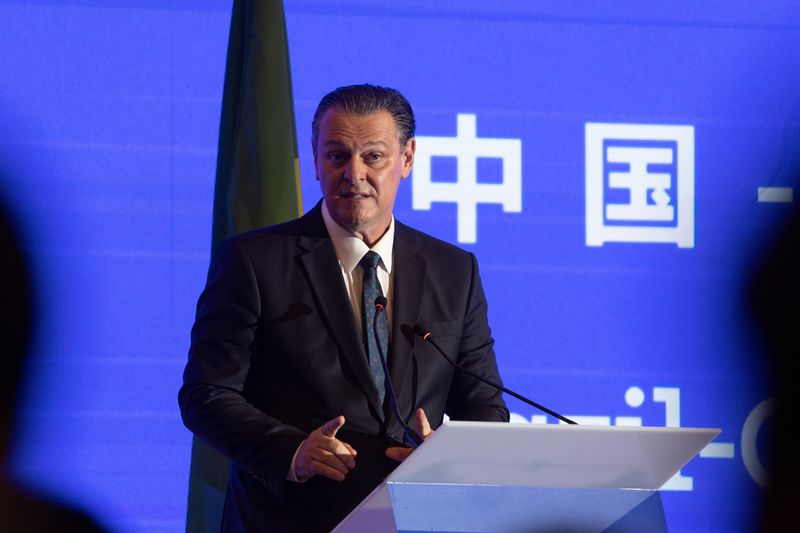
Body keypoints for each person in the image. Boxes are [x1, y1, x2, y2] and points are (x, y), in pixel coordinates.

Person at [179, 84, 509, 532]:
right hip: (288, 518)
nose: (353, 174)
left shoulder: (453, 270)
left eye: (373, 157)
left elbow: (484, 407)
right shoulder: (255, 260)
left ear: (407, 158)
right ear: (315, 159)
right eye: (336, 155)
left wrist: (447, 460)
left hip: (412, 519)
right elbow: (206, 395)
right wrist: (291, 450)